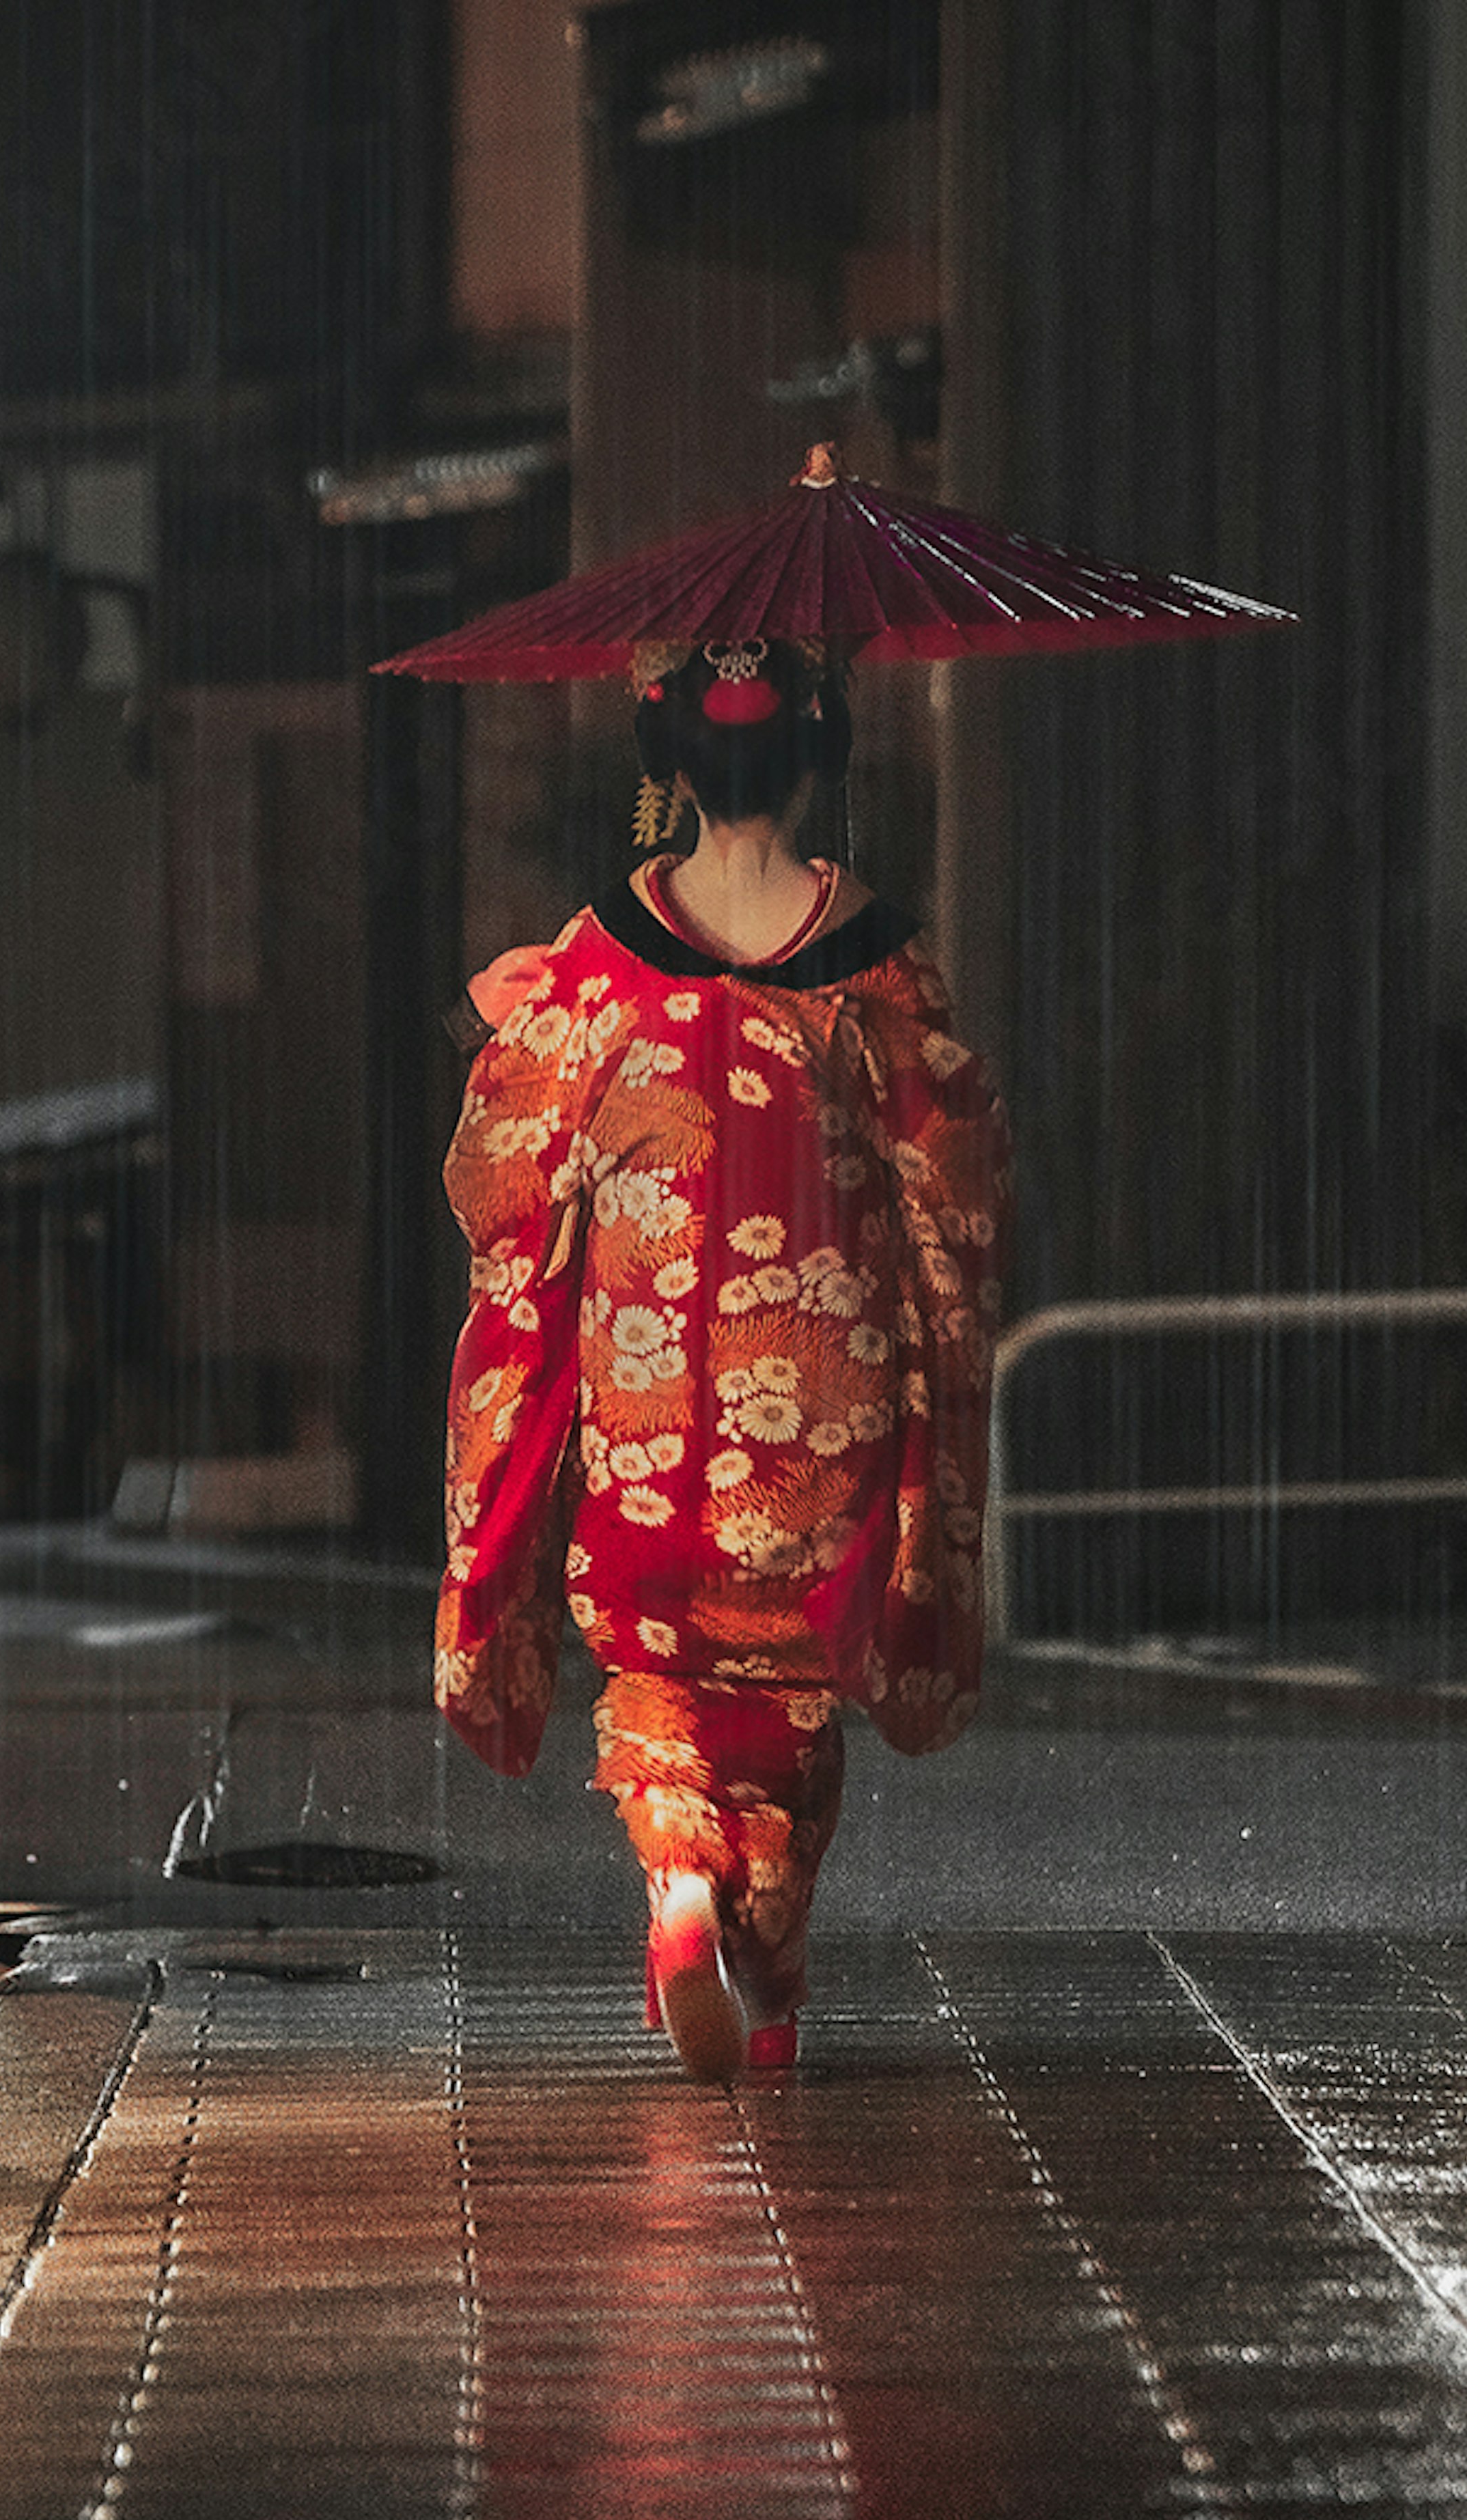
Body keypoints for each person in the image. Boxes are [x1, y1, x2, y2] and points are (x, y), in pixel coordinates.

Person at [434, 636, 1007, 2080]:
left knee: (664, 1687)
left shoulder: (601, 960)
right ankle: (763, 1973)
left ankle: (679, 1883)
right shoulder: (869, 958)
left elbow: (504, 1176)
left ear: (665, 769)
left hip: (652, 1397)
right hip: (822, 1398)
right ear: (819, 761)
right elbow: (958, 1177)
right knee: (794, 1696)